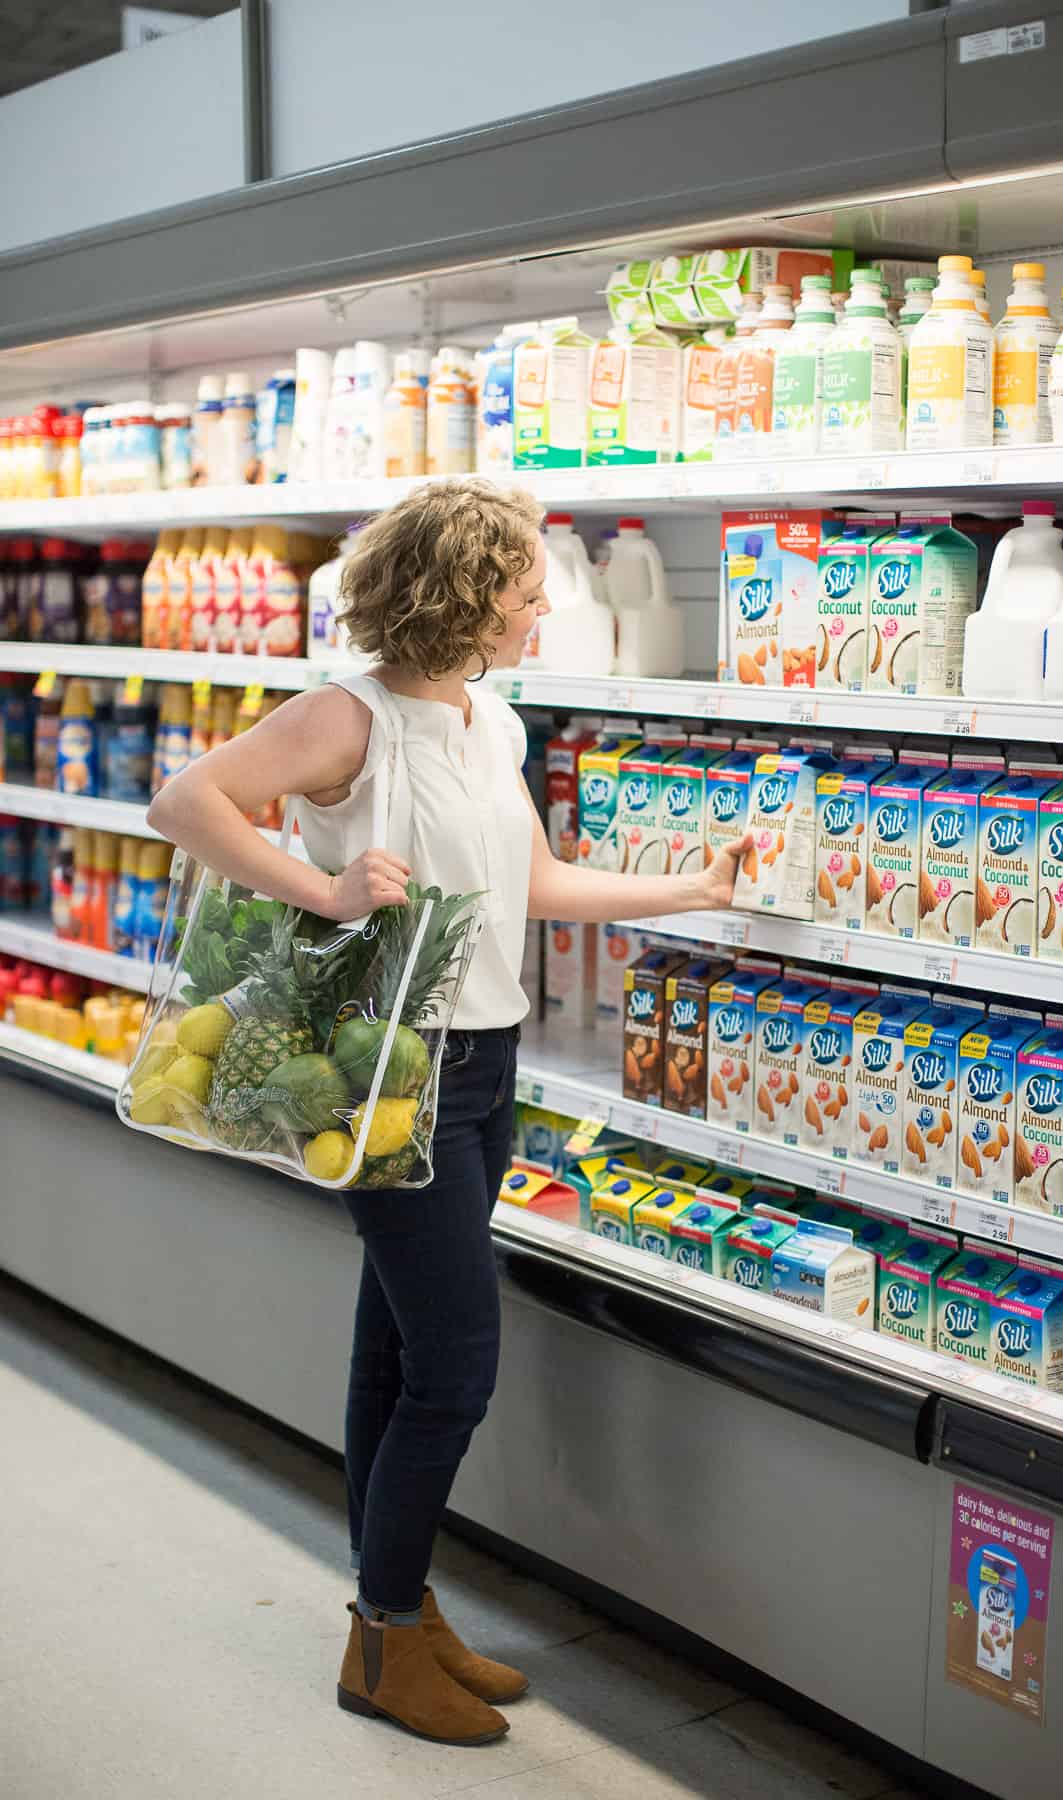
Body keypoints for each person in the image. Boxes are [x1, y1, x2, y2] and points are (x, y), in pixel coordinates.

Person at [147, 477, 751, 1748]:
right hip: (388, 1070)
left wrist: (691, 887)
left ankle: (400, 1616)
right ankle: (381, 1632)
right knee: (458, 1372)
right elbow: (187, 804)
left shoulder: (492, 723)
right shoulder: (342, 716)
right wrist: (322, 888)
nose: (542, 605)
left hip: (488, 1063)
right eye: (525, 587)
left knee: (396, 1352)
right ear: (466, 597)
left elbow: (534, 883)